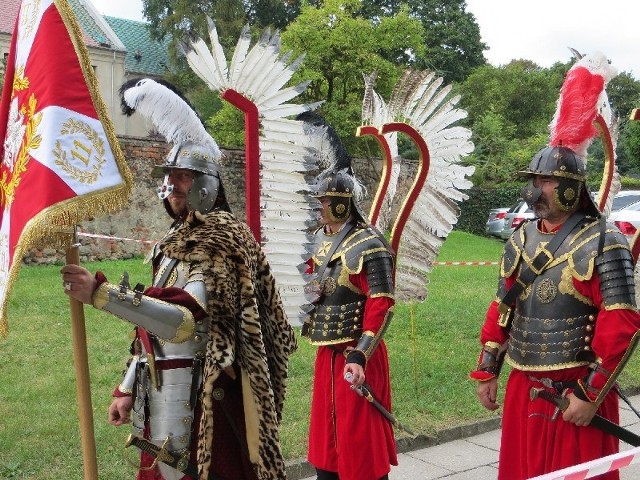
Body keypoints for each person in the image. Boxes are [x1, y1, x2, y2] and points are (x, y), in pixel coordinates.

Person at [61, 78, 297, 480]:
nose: (173, 186)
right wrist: (126, 387)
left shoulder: (224, 238)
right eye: (170, 176)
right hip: (163, 394)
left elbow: (184, 319)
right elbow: (150, 333)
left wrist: (102, 294)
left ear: (207, 183)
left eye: (185, 176)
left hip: (210, 399)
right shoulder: (173, 241)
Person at [470, 144, 640, 479]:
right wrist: (488, 370)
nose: (536, 189)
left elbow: (621, 325)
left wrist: (589, 395)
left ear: (571, 187)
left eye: (546, 181)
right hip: (524, 386)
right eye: (534, 179)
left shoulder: (605, 242)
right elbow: (502, 308)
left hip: (574, 392)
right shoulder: (520, 239)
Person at [298, 112, 398, 480]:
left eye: (324, 201)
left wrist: (360, 352)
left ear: (341, 203)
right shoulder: (316, 241)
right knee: (328, 446)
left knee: (360, 448)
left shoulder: (369, 244)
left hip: (358, 355)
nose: (318, 206)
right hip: (327, 354)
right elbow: (311, 289)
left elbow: (382, 304)